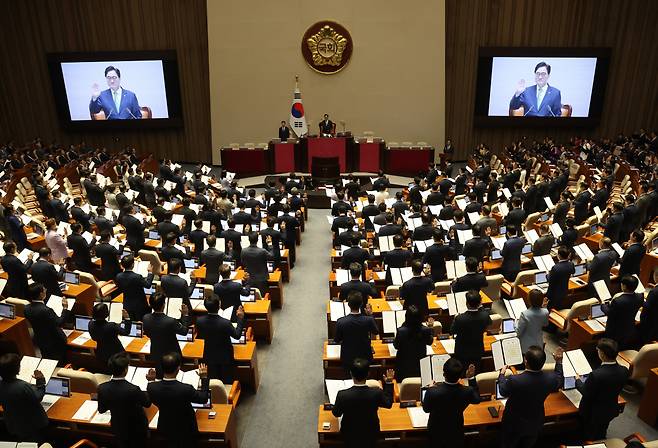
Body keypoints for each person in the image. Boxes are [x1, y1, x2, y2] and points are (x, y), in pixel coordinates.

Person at [498, 346, 564, 448]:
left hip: (513, 423)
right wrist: (559, 362)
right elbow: (559, 379)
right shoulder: (550, 379)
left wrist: (501, 375)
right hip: (535, 421)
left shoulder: (515, 380)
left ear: (525, 361)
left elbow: (502, 391)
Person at [146, 353, 211, 447]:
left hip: (165, 428)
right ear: (178, 369)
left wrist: (151, 380)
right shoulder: (186, 389)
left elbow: (153, 393)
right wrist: (204, 378)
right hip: (186, 429)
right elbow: (203, 399)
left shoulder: (151, 387)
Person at [331, 358, 394, 448]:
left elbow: (336, 413)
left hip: (349, 435)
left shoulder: (343, 395)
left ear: (351, 374)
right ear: (368, 374)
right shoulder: (376, 393)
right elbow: (388, 404)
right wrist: (389, 383)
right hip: (371, 434)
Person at [575, 338, 629, 441]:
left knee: (588, 433)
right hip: (610, 409)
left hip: (592, 412)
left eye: (598, 350)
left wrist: (578, 381)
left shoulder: (596, 375)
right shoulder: (624, 370)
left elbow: (586, 392)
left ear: (603, 354)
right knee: (602, 429)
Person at [422, 358, 480, 448]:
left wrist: (430, 388)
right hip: (456, 430)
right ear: (460, 375)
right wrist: (471, 378)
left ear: (444, 374)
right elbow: (477, 399)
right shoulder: (467, 391)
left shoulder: (432, 392)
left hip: (436, 432)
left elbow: (426, 409)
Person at [98, 353, 151, 448]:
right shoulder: (133, 389)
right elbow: (147, 403)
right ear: (125, 370)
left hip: (118, 427)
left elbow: (102, 410)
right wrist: (150, 382)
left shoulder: (102, 388)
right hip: (137, 428)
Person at [195, 295, 245, 383]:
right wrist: (240, 318)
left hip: (208, 355)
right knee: (226, 381)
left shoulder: (199, 321)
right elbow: (237, 335)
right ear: (219, 306)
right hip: (225, 357)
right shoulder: (225, 323)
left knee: (213, 381)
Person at [0, 353, 48, 442]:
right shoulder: (23, 386)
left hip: (14, 425)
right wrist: (40, 381)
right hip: (33, 425)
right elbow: (38, 397)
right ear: (17, 369)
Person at [143, 292, 191, 377]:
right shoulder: (170, 321)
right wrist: (185, 315)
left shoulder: (146, 318)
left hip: (156, 351)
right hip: (172, 355)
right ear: (163, 305)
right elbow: (184, 331)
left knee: (160, 376)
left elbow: (147, 333)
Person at [334, 292, 379, 373]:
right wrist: (370, 315)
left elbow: (337, 339)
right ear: (361, 304)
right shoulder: (368, 320)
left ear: (348, 305)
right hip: (365, 356)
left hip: (348, 357)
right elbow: (376, 332)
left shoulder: (341, 322)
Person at [24, 283, 71, 361]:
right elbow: (60, 322)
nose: (46, 290)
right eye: (44, 289)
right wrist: (65, 308)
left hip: (40, 339)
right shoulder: (46, 310)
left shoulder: (26, 308)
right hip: (55, 341)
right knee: (60, 360)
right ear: (41, 294)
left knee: (47, 359)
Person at [451, 290, 492, 371]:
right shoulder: (485, 315)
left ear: (467, 303)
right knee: (475, 371)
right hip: (477, 349)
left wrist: (455, 318)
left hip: (462, 351)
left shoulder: (460, 318)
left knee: (462, 372)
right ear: (479, 303)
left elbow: (452, 331)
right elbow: (488, 325)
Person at [601, 275, 643, 349]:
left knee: (611, 348)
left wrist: (603, 305)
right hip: (629, 327)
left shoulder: (618, 301)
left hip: (614, 331)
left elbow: (609, 313)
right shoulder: (640, 297)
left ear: (624, 286)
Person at [392, 305, 433, 380]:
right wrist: (430, 328)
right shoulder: (426, 330)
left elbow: (396, 346)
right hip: (420, 364)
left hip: (403, 365)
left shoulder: (401, 331)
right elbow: (430, 342)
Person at [88, 302, 132, 369]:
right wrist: (127, 318)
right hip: (117, 355)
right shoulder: (111, 326)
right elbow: (126, 332)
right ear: (106, 314)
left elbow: (94, 338)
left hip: (102, 354)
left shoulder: (90, 324)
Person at [115, 255, 154, 321]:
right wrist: (150, 272)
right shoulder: (137, 277)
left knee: (130, 323)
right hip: (140, 306)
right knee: (141, 323)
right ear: (133, 265)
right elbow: (148, 285)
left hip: (127, 304)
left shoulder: (118, 276)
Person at [546, 245, 575, 310]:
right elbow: (573, 271)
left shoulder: (555, 268)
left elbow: (550, 280)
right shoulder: (571, 264)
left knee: (551, 309)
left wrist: (547, 274)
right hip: (564, 291)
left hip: (553, 293)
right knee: (559, 306)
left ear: (558, 255)